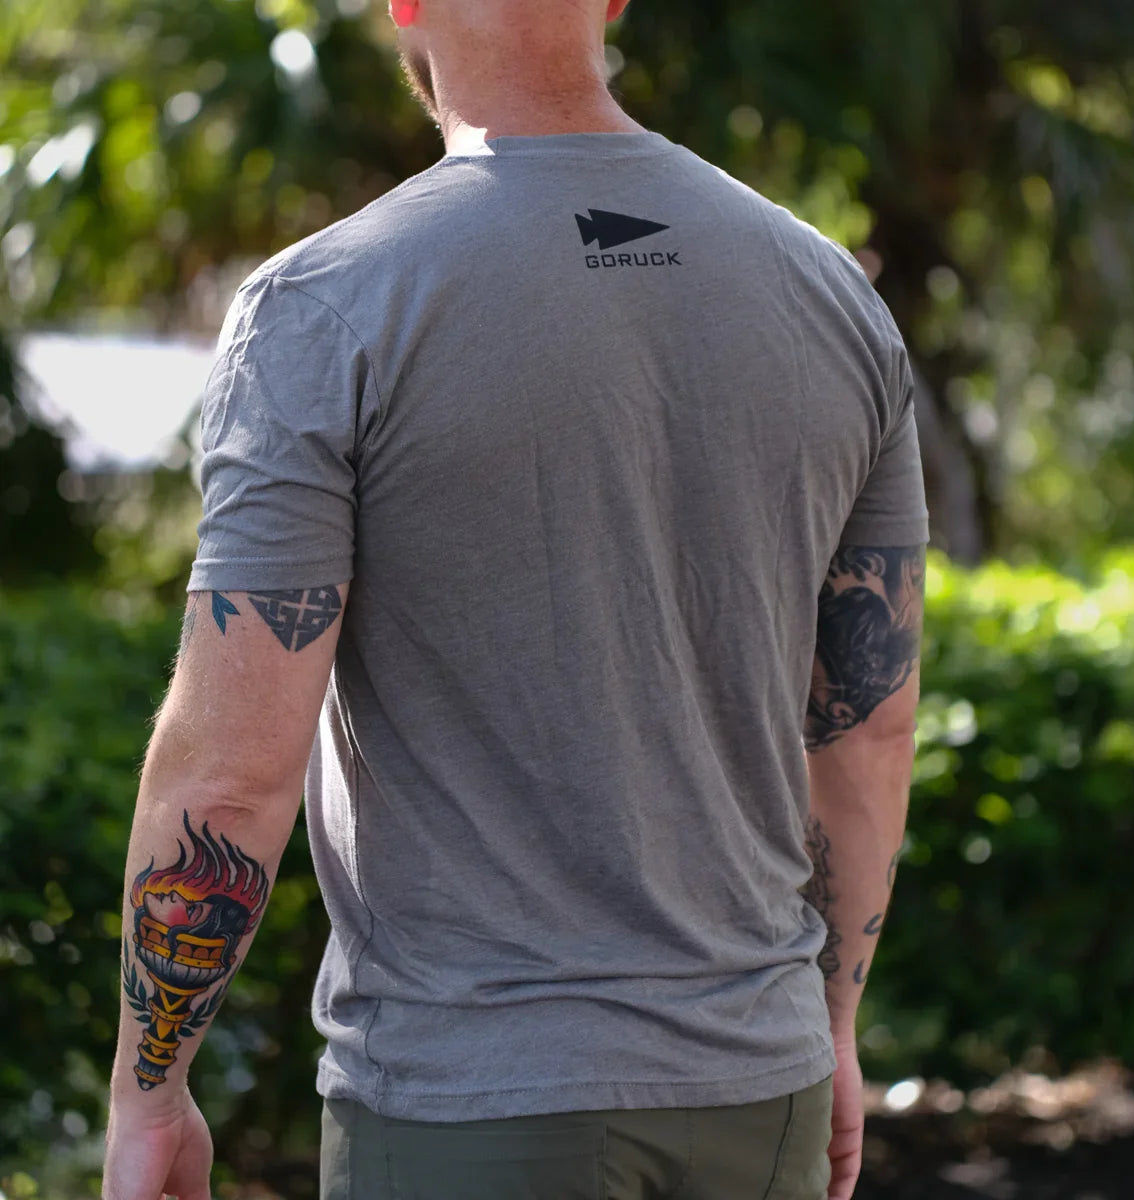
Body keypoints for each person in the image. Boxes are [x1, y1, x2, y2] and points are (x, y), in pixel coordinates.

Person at [101, 0, 928, 1197]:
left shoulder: (328, 304)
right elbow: (867, 724)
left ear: (405, 3)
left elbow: (229, 773)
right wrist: (833, 1028)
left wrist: (149, 1092)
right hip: (762, 1095)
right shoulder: (831, 296)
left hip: (467, 1104)